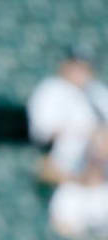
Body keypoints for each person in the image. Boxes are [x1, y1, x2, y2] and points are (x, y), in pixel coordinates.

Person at [27, 46, 108, 184]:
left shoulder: (97, 91)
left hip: (99, 165)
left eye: (85, 67)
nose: (80, 72)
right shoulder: (51, 89)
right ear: (65, 66)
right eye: (76, 67)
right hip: (65, 160)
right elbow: (42, 131)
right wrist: (86, 132)